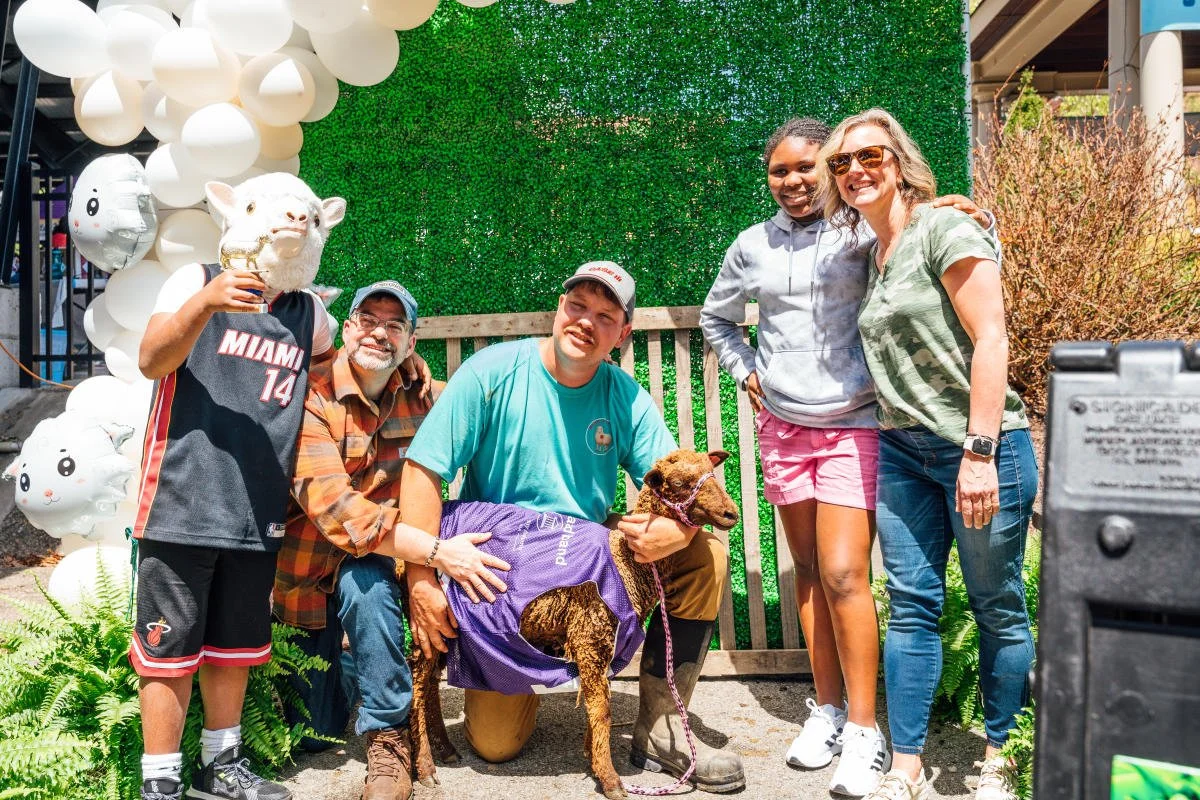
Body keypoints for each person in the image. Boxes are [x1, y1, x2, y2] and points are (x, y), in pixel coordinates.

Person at [700, 118, 993, 798]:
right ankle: (826, 710)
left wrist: (951, 206)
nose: (795, 180)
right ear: (768, 178)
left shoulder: (857, 229)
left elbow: (912, 228)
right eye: (780, 171)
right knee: (806, 571)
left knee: (843, 574)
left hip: (856, 424)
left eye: (809, 167)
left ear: (828, 170)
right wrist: (748, 373)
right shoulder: (750, 246)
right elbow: (719, 318)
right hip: (784, 427)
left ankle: (866, 730)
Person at [399, 261, 745, 793]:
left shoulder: (624, 396)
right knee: (495, 746)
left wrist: (680, 532)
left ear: (623, 334)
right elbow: (423, 472)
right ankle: (517, 675)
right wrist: (423, 575)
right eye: (577, 306)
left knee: (706, 556)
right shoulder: (492, 372)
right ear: (559, 309)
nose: (587, 321)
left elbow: (679, 477)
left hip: (586, 555)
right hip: (503, 570)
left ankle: (659, 726)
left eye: (606, 315)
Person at [818, 108, 1037, 800]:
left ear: (900, 160)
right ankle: (906, 767)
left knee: (996, 604)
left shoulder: (945, 227)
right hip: (905, 452)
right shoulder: (874, 252)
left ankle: (1001, 758)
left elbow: (993, 337)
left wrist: (978, 451)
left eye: (870, 156)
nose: (856, 170)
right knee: (911, 602)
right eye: (843, 162)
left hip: (979, 449)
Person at [273, 280, 507, 800]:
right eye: (369, 319)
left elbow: (493, 410)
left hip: (379, 567)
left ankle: (388, 739)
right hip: (305, 581)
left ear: (410, 344)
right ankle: (356, 668)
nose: (379, 332)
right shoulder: (309, 398)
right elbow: (341, 515)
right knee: (315, 735)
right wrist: (438, 550)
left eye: (395, 325)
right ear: (348, 327)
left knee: (366, 583)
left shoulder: (427, 397)